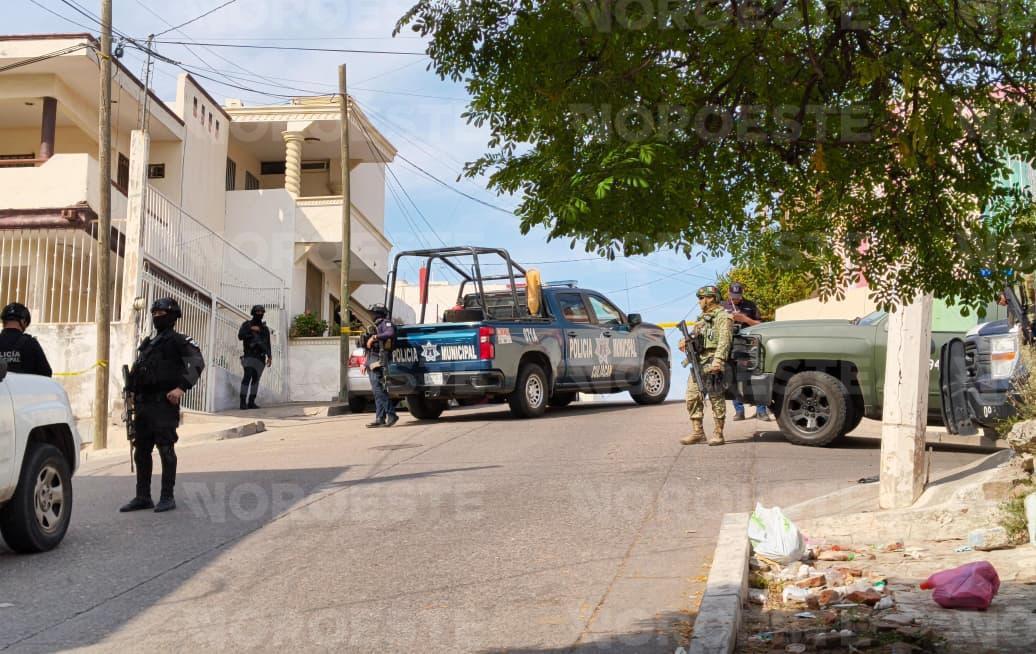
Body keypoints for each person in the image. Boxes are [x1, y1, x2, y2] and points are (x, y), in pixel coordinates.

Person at [120, 298, 205, 514]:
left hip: (163, 404)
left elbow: (197, 363)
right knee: (141, 451)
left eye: (162, 313)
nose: (157, 317)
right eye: (154, 313)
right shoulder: (149, 343)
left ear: (173, 316)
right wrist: (130, 390)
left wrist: (181, 388)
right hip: (143, 405)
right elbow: (139, 371)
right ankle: (143, 496)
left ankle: (167, 496)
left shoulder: (179, 340)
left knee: (165, 449)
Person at [680, 286, 733, 446]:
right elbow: (695, 337)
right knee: (692, 396)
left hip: (713, 361)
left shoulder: (724, 317)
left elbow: (725, 340)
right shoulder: (701, 319)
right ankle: (698, 432)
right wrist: (685, 342)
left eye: (702, 298)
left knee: (716, 397)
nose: (700, 301)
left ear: (711, 298)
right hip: (698, 361)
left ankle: (718, 433)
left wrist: (719, 361)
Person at [722, 282, 771, 421]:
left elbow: (760, 324)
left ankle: (761, 411)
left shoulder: (750, 305)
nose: (735, 298)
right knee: (732, 378)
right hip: (730, 344)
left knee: (755, 375)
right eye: (733, 295)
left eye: (738, 296)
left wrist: (745, 319)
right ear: (728, 293)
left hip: (748, 344)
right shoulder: (722, 306)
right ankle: (739, 411)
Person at [362, 304, 398, 428]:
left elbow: (390, 333)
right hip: (371, 360)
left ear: (379, 313)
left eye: (373, 313)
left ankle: (391, 414)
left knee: (378, 390)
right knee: (376, 391)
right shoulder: (376, 326)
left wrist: (375, 337)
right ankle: (380, 418)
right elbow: (367, 348)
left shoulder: (385, 323)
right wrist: (364, 362)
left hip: (378, 359)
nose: (371, 315)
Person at [0, 303, 52, 377]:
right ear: (24, 322)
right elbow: (46, 373)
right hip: (24, 388)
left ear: (4, 321)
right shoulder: (31, 343)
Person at [238, 305, 272, 410]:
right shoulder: (246, 324)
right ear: (253, 312)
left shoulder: (265, 329)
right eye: (257, 311)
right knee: (247, 378)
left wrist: (270, 356)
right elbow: (240, 336)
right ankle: (243, 403)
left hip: (261, 357)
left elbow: (267, 343)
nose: (260, 313)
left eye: (262, 312)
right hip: (249, 355)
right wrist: (250, 329)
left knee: (256, 380)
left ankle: (251, 402)